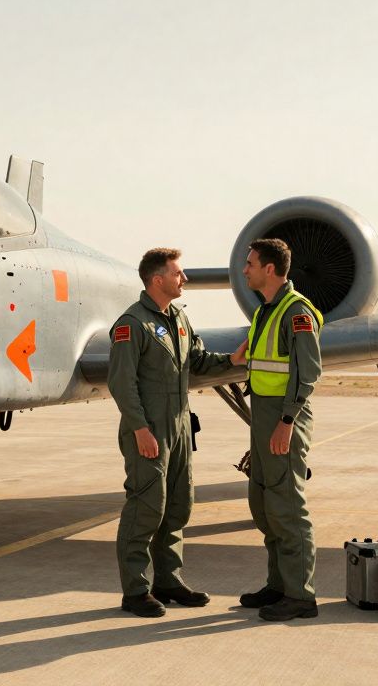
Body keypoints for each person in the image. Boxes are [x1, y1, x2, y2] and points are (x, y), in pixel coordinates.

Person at [107, 248, 247, 617]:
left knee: (178, 505)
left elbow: (196, 361)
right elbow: (122, 384)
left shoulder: (179, 319)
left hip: (180, 426)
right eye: (177, 273)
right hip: (149, 429)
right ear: (157, 280)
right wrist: (140, 429)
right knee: (146, 507)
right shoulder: (131, 324)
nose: (184, 279)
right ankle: (135, 591)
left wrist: (231, 361)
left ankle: (168, 581)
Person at [238, 237, 324, 622]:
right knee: (264, 506)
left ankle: (300, 596)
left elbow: (308, 372)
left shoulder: (297, 311)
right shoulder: (265, 311)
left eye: (251, 264)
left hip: (283, 418)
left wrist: (287, 421)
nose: (245, 270)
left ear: (269, 269)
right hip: (262, 416)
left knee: (287, 508)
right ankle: (278, 585)